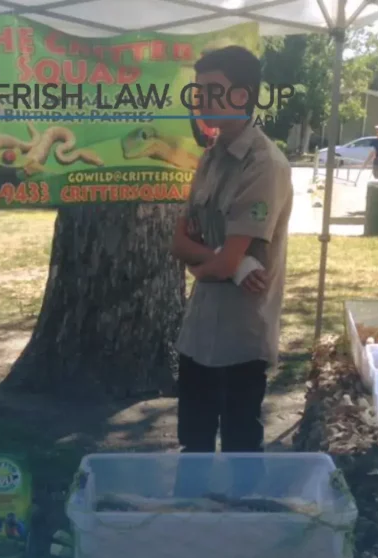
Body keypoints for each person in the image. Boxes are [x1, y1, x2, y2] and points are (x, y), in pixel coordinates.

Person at [170, 45, 294, 461]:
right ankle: (193, 521)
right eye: (198, 90)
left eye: (211, 90)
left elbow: (208, 259)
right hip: (200, 327)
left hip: (241, 334)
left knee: (241, 447)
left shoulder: (264, 164)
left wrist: (215, 263)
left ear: (241, 96)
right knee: (194, 442)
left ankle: (242, 526)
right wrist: (228, 263)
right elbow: (178, 243)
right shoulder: (212, 157)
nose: (200, 99)